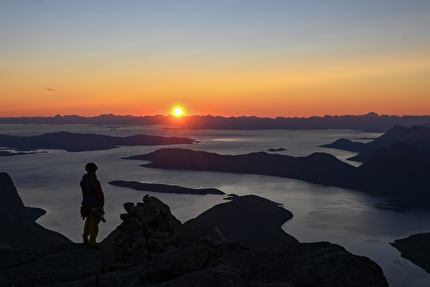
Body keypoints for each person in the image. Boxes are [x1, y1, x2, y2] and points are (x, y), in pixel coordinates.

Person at [80, 162, 105, 249]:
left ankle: (85, 237)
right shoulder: (95, 181)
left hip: (86, 204)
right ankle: (92, 243)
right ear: (94, 170)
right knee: (95, 223)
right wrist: (102, 202)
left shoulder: (83, 181)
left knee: (88, 221)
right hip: (96, 205)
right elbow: (99, 193)